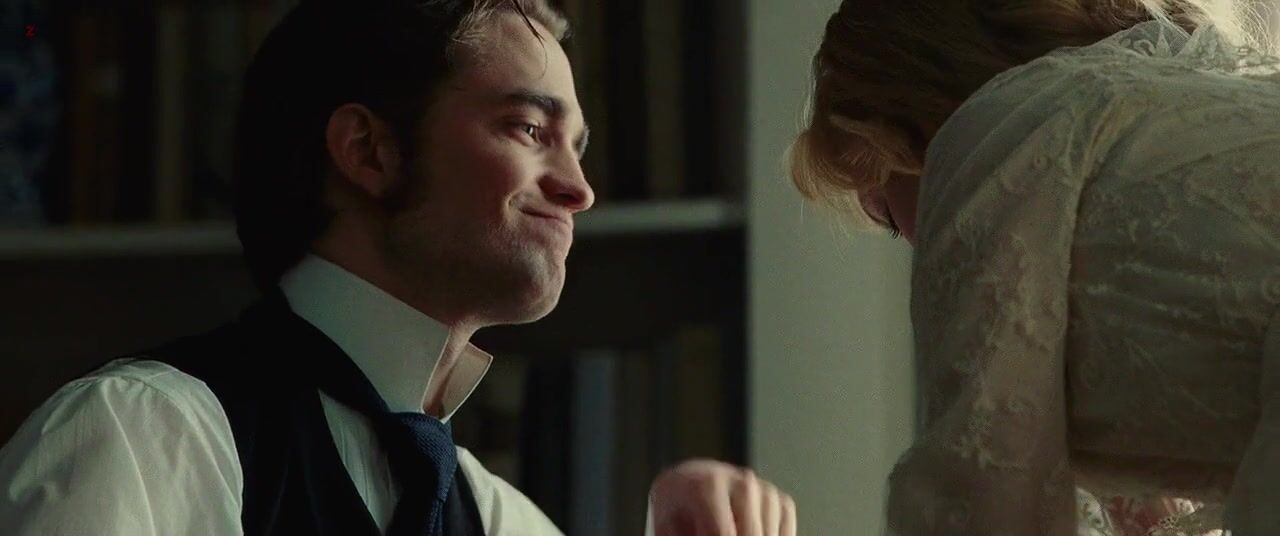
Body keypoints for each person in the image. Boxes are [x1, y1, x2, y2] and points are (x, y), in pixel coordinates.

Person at [0, 1, 798, 535]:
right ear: (369, 151)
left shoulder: (504, 520)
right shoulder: (139, 440)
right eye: (528, 129)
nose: (578, 188)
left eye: (578, 147)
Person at [789, 0, 1280, 534]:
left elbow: (981, 509)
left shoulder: (998, 148)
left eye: (885, 211)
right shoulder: (1208, 112)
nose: (910, 241)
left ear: (907, 120)